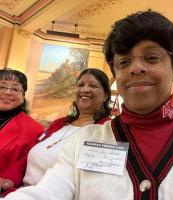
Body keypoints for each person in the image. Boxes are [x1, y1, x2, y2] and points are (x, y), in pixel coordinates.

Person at [3, 11, 173, 200]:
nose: (136, 68)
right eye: (124, 62)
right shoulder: (85, 139)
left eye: (151, 58)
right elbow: (47, 192)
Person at [1, 68, 112, 196]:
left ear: (105, 95)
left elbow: (96, 183)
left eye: (93, 85)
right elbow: (27, 157)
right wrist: (9, 180)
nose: (84, 89)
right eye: (80, 85)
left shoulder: (106, 130)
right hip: (19, 192)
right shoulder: (59, 123)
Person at [0, 69, 44, 195]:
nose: (7, 92)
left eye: (15, 89)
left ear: (23, 96)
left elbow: (25, 166)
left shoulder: (35, 130)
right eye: (2, 87)